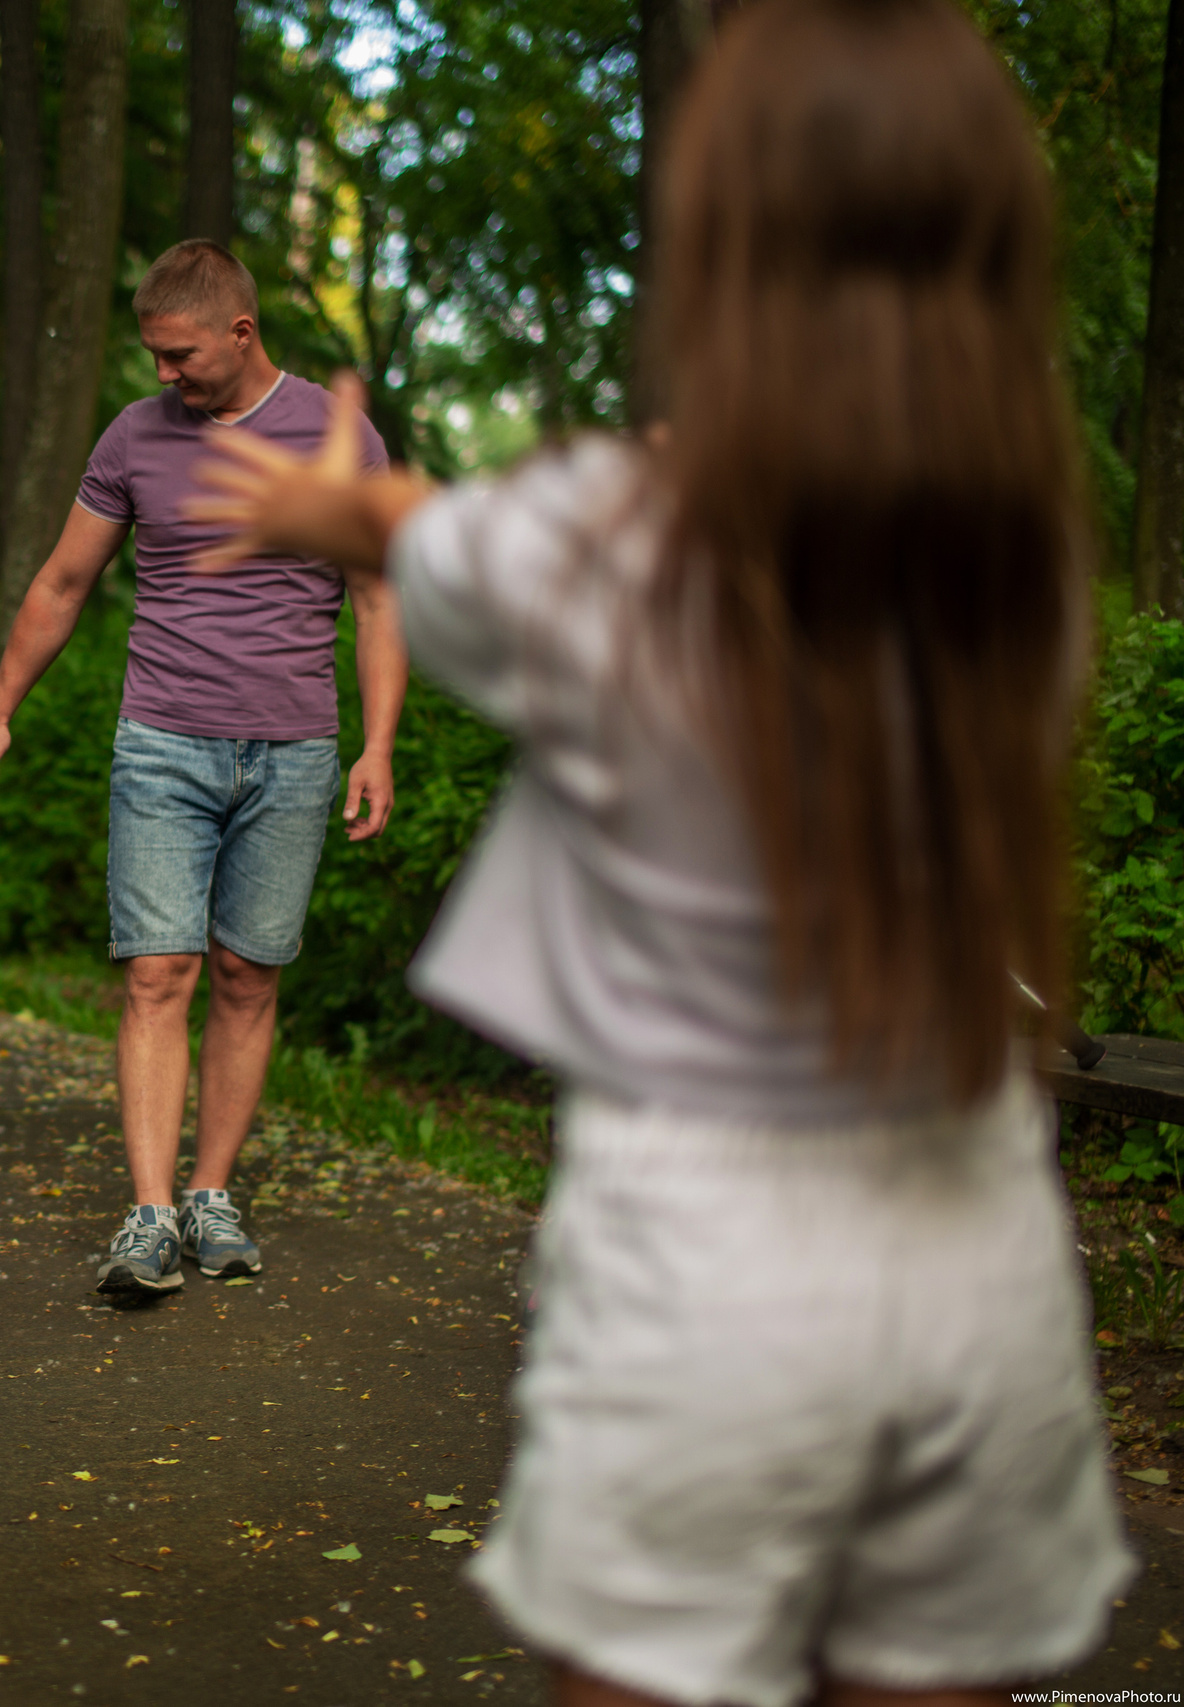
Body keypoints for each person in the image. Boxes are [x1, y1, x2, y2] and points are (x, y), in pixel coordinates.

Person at [188, 2, 1129, 1700]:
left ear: (725, 247)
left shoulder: (616, 540)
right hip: (985, 1272)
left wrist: (335, 508)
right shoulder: (1031, 564)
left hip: (709, 1286)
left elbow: (409, 531)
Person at [0, 239, 408, 1299]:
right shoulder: (134, 437)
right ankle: (150, 1215)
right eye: (153, 355)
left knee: (250, 976)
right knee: (158, 973)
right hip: (161, 740)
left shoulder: (338, 438)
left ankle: (211, 1193)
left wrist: (377, 743)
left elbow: (379, 600)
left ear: (241, 334)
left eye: (180, 355)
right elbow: (63, 583)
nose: (163, 374)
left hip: (293, 750)